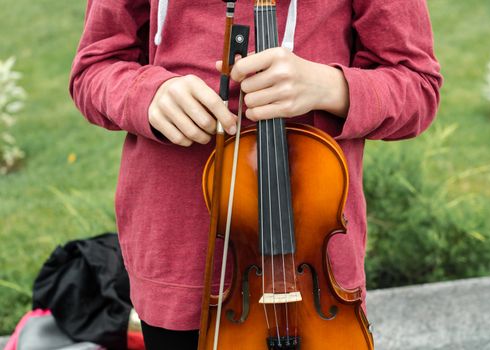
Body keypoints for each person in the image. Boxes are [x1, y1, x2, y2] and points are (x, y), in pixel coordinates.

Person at [70, 0, 442, 348]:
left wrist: (330, 87)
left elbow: (418, 86)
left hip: (313, 278)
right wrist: (145, 95)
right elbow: (93, 68)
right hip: (176, 258)